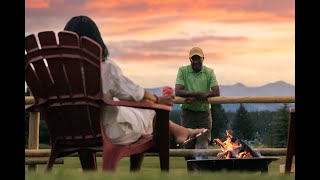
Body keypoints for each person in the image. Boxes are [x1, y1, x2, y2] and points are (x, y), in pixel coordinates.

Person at [63, 15, 207, 146]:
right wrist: (157, 99)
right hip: (107, 133)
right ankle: (180, 132)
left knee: (142, 108)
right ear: (96, 40)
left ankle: (180, 131)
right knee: (150, 110)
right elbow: (133, 93)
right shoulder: (104, 67)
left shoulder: (56, 70)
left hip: (68, 131)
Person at [175, 46, 220, 159]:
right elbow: (178, 91)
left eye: (198, 58)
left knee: (202, 145)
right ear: (190, 59)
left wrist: (193, 96)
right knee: (188, 144)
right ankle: (191, 174)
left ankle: (201, 173)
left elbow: (216, 91)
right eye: (193, 58)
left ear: (203, 59)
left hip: (204, 114)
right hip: (188, 113)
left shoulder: (209, 72)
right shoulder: (183, 70)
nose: (196, 61)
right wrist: (198, 94)